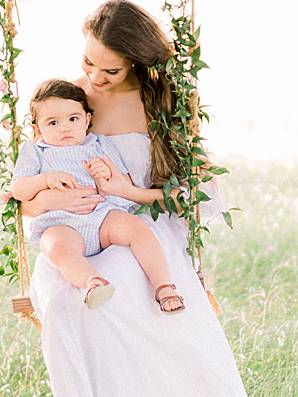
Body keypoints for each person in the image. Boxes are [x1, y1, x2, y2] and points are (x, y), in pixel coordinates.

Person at [13, 0, 257, 397]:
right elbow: (25, 200)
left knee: (133, 291)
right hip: (75, 230)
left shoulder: (165, 104)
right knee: (70, 303)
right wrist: (52, 200)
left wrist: (130, 193)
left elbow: (194, 193)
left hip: (142, 224)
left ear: (140, 65)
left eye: (110, 69)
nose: (94, 78)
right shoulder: (72, 105)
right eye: (88, 63)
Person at [11, 78, 185, 313]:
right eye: (52, 122)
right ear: (37, 128)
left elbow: (124, 183)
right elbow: (18, 189)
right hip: (62, 223)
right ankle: (92, 283)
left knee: (137, 229)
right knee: (54, 245)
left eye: (73, 119)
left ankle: (164, 286)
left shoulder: (99, 144)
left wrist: (105, 173)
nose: (64, 128)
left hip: (104, 216)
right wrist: (44, 179)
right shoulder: (35, 151)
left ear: (87, 120)